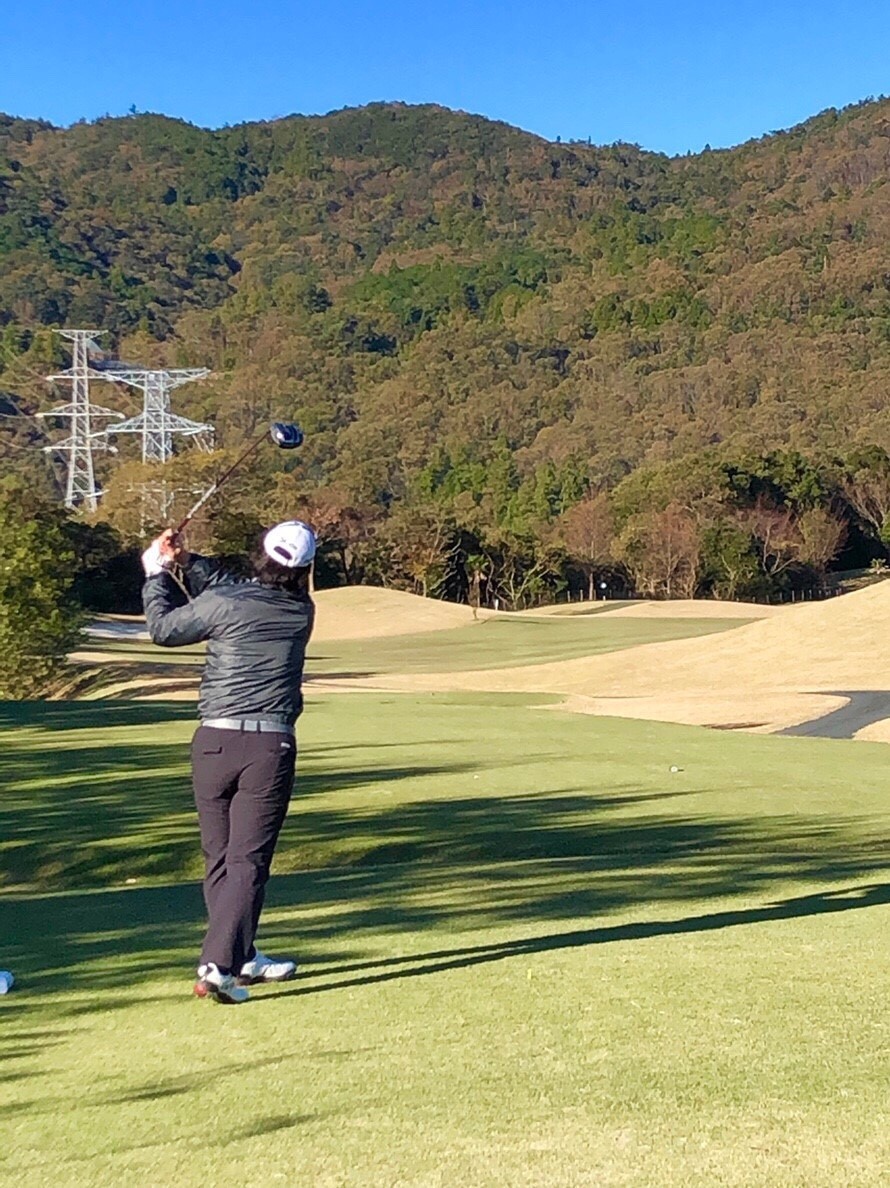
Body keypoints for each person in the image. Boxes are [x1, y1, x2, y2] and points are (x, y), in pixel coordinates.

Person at [142, 520, 316, 1005]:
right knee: (246, 862)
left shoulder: (228, 601)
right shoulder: (301, 609)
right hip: (269, 748)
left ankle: (239, 956)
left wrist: (156, 574)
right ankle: (221, 965)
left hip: (214, 743)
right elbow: (233, 590)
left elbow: (163, 629)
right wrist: (184, 561)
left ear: (261, 554)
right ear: (304, 568)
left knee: (222, 858)